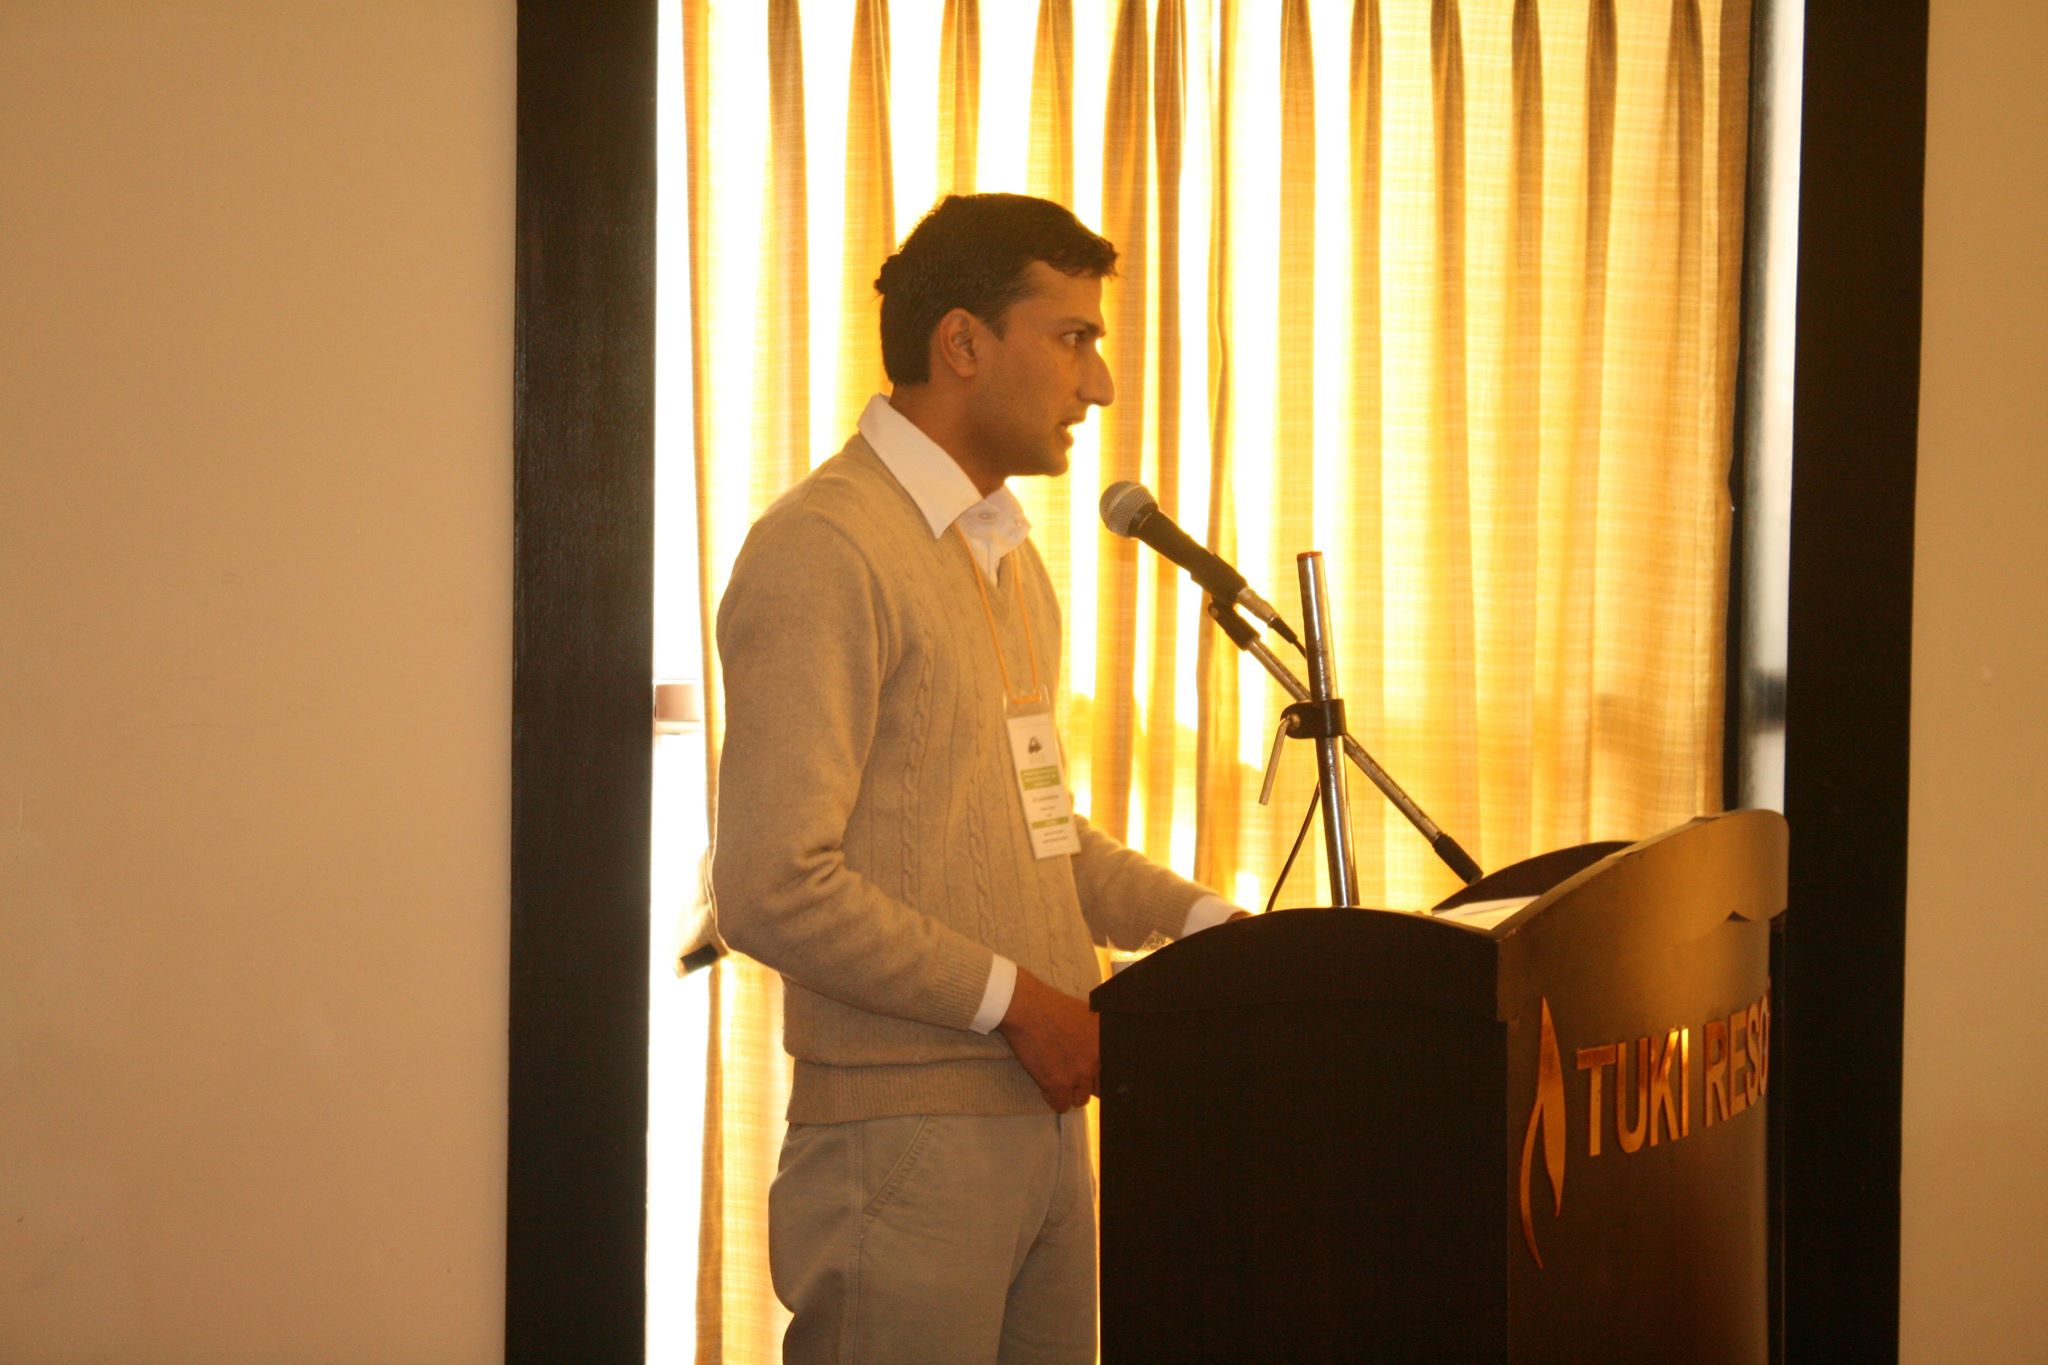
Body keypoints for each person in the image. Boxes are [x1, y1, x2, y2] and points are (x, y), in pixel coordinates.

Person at [712, 192, 1243, 1365]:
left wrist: (1217, 933)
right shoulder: (825, 547)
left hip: (1039, 1124)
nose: (1098, 383)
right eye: (1072, 338)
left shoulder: (1000, 554)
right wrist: (1021, 1003)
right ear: (961, 343)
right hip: (900, 1139)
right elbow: (771, 885)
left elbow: (1038, 835)